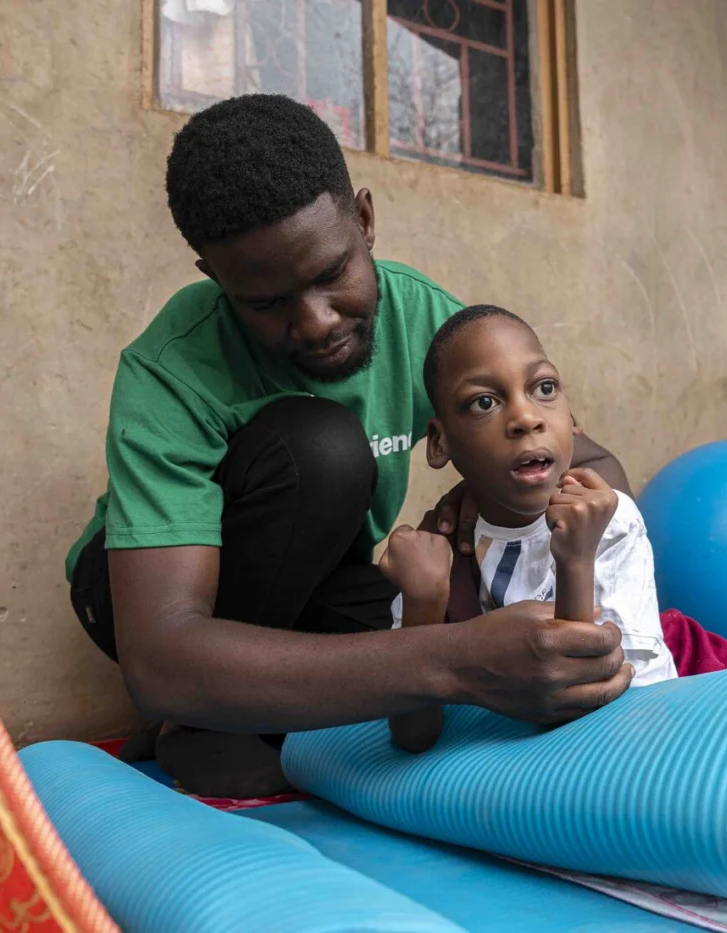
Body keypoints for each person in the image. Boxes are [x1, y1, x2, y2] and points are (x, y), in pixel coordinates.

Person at [65, 95, 634, 797]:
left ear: (364, 220)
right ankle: (207, 719)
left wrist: (492, 481)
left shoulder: (424, 317)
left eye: (332, 273)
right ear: (215, 278)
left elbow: (598, 466)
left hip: (322, 575)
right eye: (268, 303)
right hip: (147, 603)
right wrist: (452, 660)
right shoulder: (170, 368)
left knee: (411, 617)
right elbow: (157, 654)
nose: (316, 322)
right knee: (326, 453)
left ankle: (230, 720)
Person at [381, 306, 678, 753]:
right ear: (440, 443)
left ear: (572, 420)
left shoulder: (607, 520)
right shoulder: (437, 552)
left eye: (544, 389)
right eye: (485, 402)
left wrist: (575, 560)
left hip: (640, 736)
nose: (525, 418)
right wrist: (423, 604)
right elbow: (412, 737)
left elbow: (615, 716)